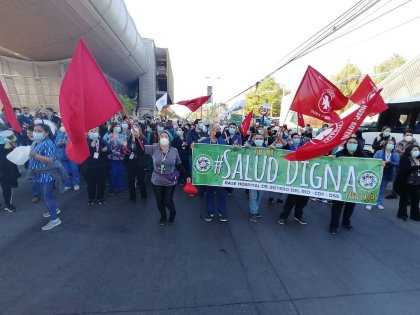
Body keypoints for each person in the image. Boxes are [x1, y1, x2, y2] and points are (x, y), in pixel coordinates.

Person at [144, 130, 190, 225]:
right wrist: (136, 137)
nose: (164, 138)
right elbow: (140, 148)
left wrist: (187, 175)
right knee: (159, 201)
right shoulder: (154, 148)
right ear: (159, 139)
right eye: (162, 136)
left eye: (166, 136)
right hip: (157, 179)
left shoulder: (174, 150)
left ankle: (173, 212)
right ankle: (163, 216)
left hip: (170, 180)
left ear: (169, 139)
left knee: (167, 200)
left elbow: (179, 164)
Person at [328, 137, 368, 235]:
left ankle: (346, 222)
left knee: (350, 205)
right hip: (341, 184)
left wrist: (381, 164)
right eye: (350, 142)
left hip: (354, 185)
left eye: (355, 142)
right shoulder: (340, 154)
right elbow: (332, 166)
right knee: (337, 206)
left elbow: (371, 165)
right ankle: (333, 225)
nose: (352, 144)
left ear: (358, 144)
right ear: (346, 144)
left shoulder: (362, 155)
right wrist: (331, 159)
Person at [29, 123, 61, 231]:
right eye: (35, 130)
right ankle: (54, 210)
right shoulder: (38, 141)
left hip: (46, 175)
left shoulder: (48, 143)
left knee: (46, 197)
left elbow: (50, 160)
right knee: (46, 196)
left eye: (39, 131)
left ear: (46, 133)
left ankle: (55, 219)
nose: (36, 132)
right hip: (39, 174)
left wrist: (35, 155)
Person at [194, 123, 228, 222]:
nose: (219, 131)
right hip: (208, 172)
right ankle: (210, 212)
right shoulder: (204, 142)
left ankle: (222, 212)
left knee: (221, 193)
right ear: (211, 131)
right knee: (209, 193)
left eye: (219, 130)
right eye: (217, 130)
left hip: (220, 172)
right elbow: (198, 155)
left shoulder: (223, 142)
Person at [367, 139, 399, 210]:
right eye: (389, 143)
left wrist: (390, 163)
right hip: (377, 173)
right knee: (374, 188)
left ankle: (379, 203)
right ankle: (370, 203)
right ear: (385, 145)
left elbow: (397, 163)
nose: (391, 145)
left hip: (387, 174)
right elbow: (374, 160)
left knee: (382, 189)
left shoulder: (395, 154)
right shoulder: (379, 152)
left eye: (392, 144)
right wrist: (381, 162)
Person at [81, 128, 109, 205]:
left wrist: (105, 150)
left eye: (95, 131)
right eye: (92, 131)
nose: (94, 133)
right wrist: (90, 147)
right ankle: (91, 198)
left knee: (101, 183)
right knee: (91, 184)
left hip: (101, 165)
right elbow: (83, 153)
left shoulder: (100, 140)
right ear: (88, 133)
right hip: (90, 166)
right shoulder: (85, 141)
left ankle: (100, 197)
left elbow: (108, 148)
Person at [244, 133, 267, 222]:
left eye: (260, 138)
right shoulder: (250, 148)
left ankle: (255, 209)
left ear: (263, 139)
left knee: (260, 194)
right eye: (256, 138)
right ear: (254, 139)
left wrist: (274, 149)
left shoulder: (267, 150)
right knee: (253, 195)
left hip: (263, 176)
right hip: (252, 175)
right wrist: (245, 147)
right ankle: (253, 212)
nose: (258, 140)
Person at [394, 144, 420, 221]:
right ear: (409, 150)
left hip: (416, 183)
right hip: (406, 183)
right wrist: (418, 167)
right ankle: (402, 214)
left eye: (417, 150)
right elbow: (405, 168)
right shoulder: (405, 158)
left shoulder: (418, 159)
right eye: (414, 150)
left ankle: (415, 215)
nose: (416, 151)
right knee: (404, 199)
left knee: (416, 200)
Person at [124, 124, 148, 204]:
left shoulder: (144, 139)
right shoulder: (128, 139)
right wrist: (124, 148)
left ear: (139, 129)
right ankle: (132, 198)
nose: (134, 129)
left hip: (140, 163)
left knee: (141, 180)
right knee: (130, 181)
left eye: (136, 127)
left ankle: (144, 196)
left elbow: (143, 151)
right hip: (131, 163)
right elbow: (126, 151)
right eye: (132, 127)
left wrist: (137, 139)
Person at [55, 125, 80, 191]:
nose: (63, 126)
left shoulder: (73, 135)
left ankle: (76, 183)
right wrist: (59, 144)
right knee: (65, 171)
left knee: (74, 170)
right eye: (62, 125)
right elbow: (55, 144)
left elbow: (77, 143)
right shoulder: (59, 135)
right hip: (63, 156)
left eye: (64, 125)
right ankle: (67, 184)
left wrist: (67, 143)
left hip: (72, 156)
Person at [0, 131, 20, 212]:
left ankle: (8, 205)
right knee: (7, 186)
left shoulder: (6, 136)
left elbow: (14, 146)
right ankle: (8, 205)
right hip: (6, 167)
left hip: (6, 167)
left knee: (7, 186)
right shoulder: (8, 136)